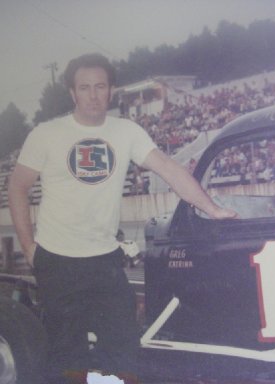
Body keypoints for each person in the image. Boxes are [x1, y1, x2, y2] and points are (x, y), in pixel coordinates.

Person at [8, 53, 236, 383]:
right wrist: (29, 246)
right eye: (84, 87)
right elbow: (17, 187)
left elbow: (169, 168)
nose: (93, 94)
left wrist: (212, 208)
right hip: (57, 261)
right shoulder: (46, 133)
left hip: (104, 260)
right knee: (65, 359)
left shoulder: (126, 131)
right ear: (72, 93)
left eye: (100, 86)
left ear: (111, 90)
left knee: (124, 351)